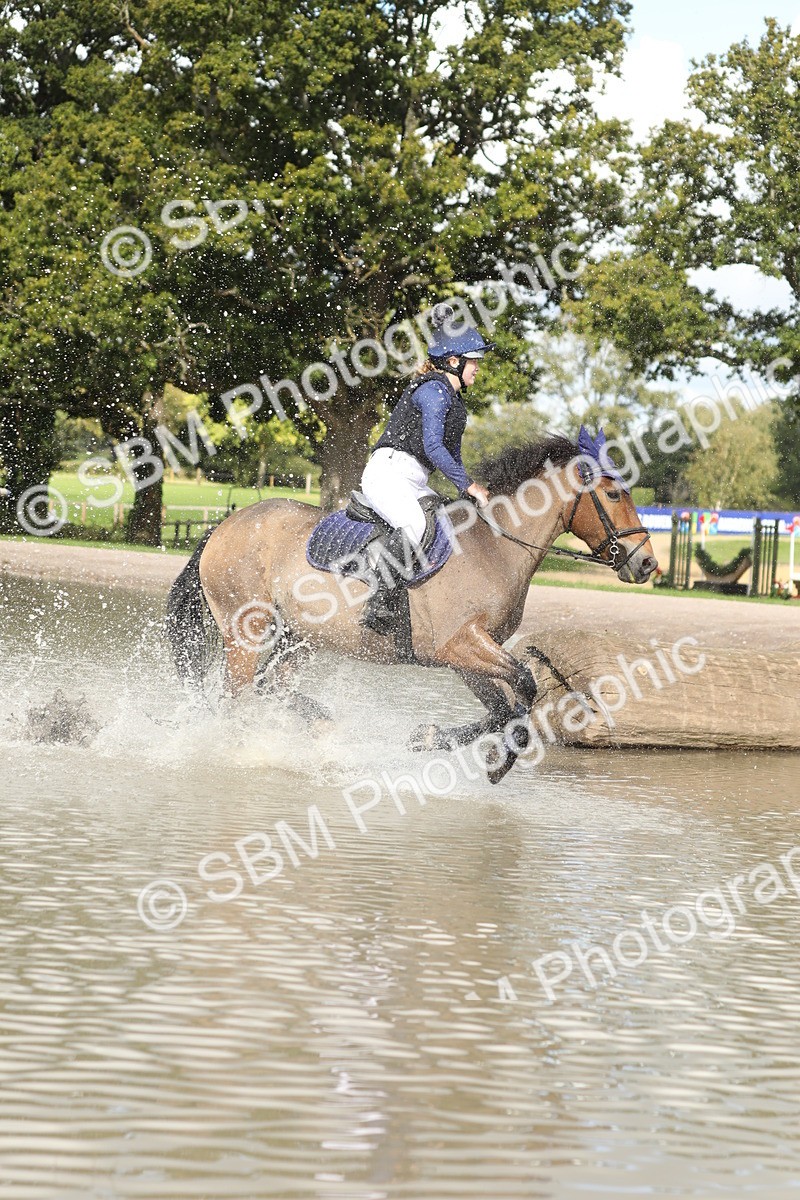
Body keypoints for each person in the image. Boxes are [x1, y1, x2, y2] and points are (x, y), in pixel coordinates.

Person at [359, 303, 493, 633]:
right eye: (474, 360)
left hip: (413, 479)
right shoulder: (433, 391)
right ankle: (377, 604)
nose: (478, 367)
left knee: (448, 522)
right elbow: (433, 447)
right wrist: (469, 485)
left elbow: (452, 456)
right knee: (414, 523)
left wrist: (467, 488)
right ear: (453, 361)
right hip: (388, 473)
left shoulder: (454, 402)